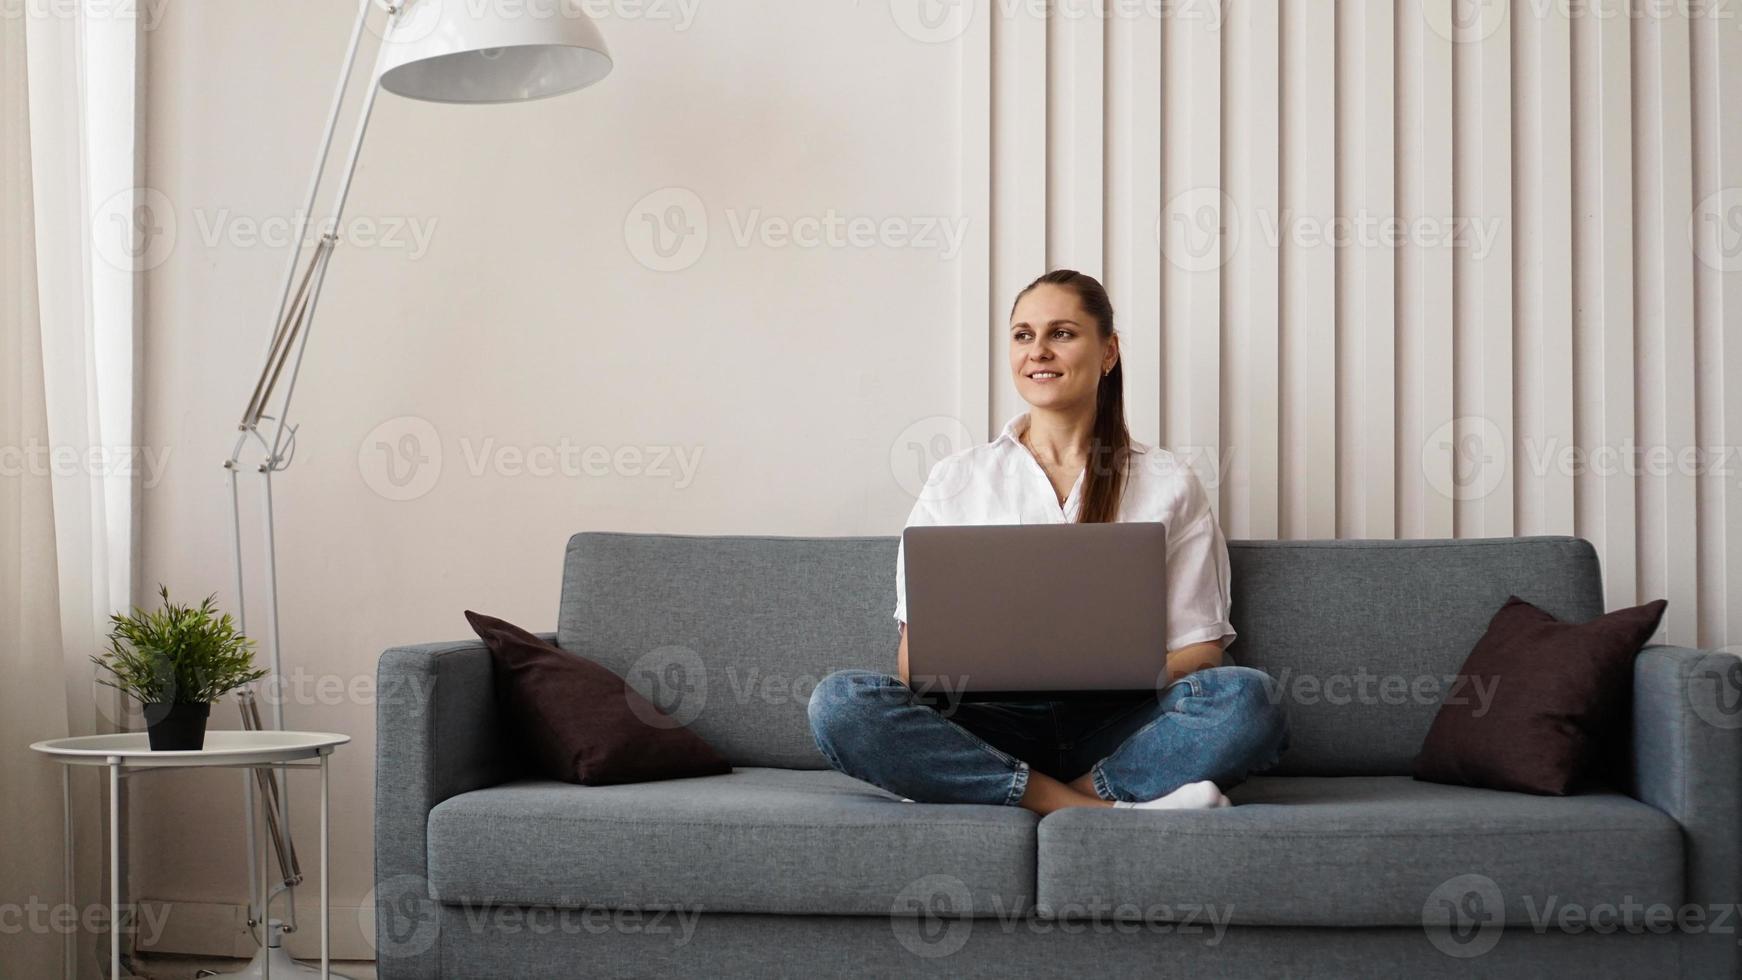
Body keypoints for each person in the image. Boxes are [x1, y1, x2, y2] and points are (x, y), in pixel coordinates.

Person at [808, 269, 1289, 814]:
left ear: (1107, 353)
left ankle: (1040, 794)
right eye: (1023, 335)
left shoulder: (1168, 481)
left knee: (1250, 699)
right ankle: (1096, 809)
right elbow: (913, 661)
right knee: (842, 704)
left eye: (1062, 333)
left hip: (1120, 724)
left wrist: (1113, 668)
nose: (1038, 351)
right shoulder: (957, 478)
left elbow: (1203, 648)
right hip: (987, 722)